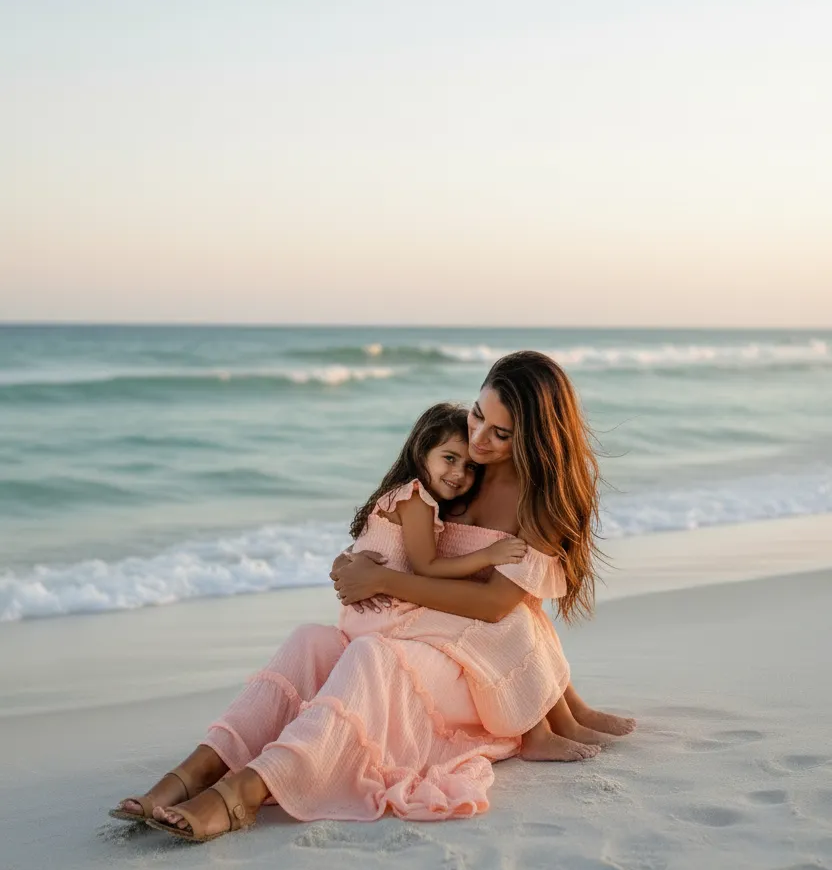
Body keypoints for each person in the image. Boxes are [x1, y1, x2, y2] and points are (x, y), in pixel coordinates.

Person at [110, 351, 634, 843]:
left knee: (370, 655)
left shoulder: (538, 500)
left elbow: (498, 606)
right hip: (418, 628)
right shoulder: (458, 466)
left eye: (501, 434)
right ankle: (195, 770)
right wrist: (354, 562)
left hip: (472, 659)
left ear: (536, 438)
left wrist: (383, 583)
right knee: (310, 641)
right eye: (478, 415)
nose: (478, 438)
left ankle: (246, 791)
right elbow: (397, 532)